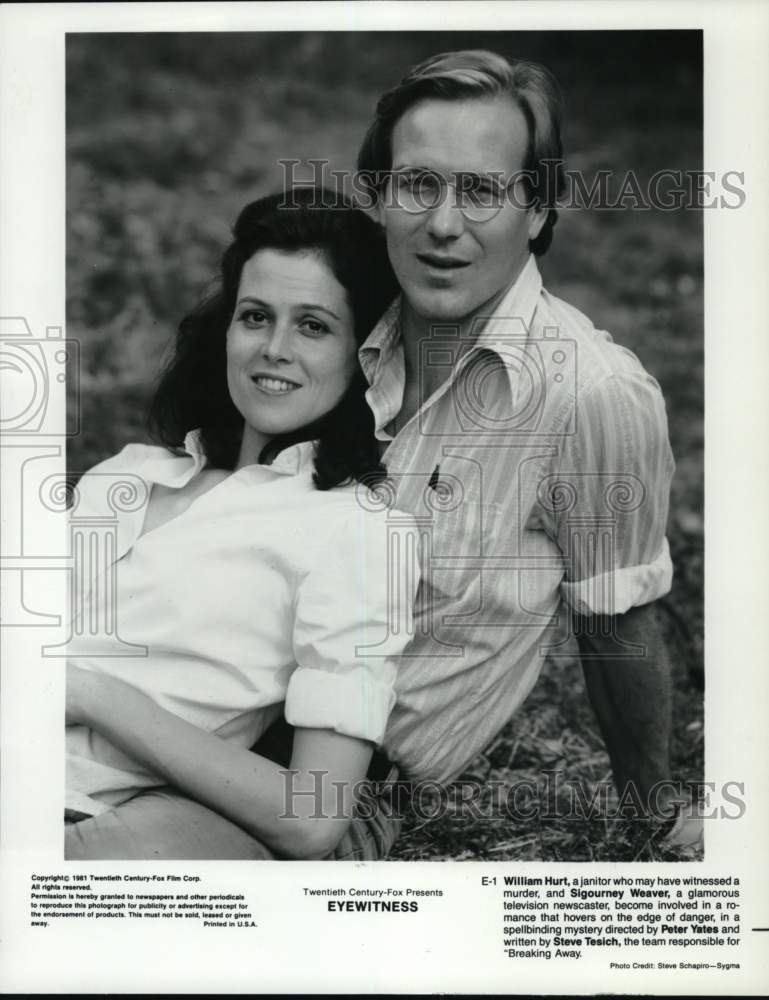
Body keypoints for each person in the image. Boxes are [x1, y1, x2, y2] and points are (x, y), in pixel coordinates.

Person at [350, 48, 689, 838]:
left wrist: (653, 817)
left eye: (480, 190)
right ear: (377, 198)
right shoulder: (328, 325)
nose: (442, 224)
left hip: (336, 779)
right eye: (417, 184)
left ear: (536, 212)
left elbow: (615, 619)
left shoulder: (589, 392)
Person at [64, 188, 419, 861]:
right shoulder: (129, 474)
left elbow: (314, 816)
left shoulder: (353, 530)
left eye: (313, 326)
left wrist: (92, 692)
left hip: (85, 819)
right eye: (256, 316)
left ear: (366, 354)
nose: (274, 349)